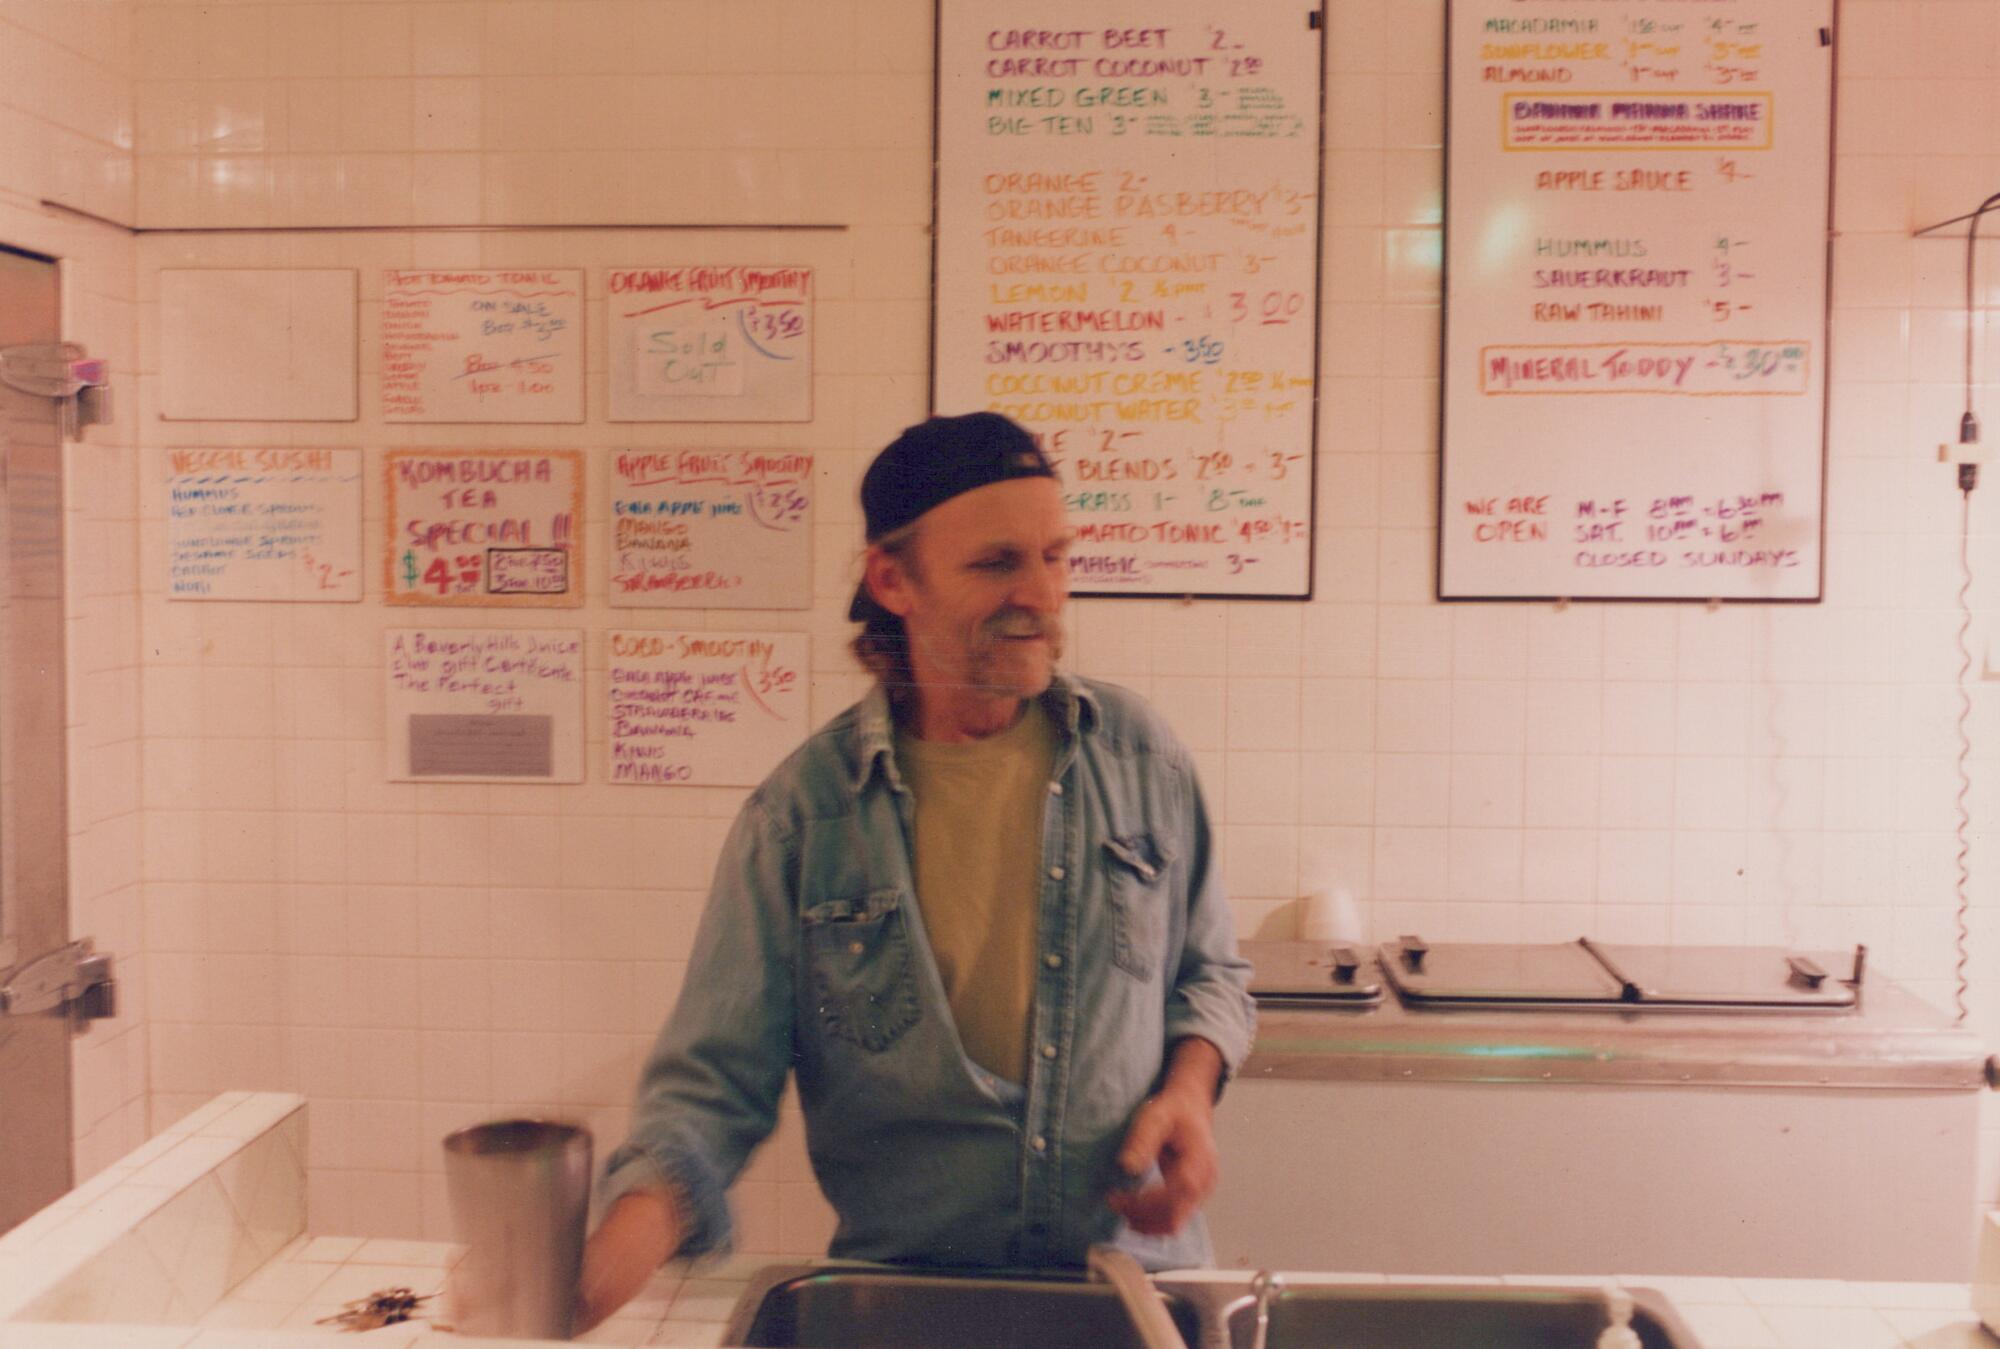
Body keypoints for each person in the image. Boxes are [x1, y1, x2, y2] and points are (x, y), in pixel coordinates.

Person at [575, 411, 1254, 1330]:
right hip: (907, 1306)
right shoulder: (805, 818)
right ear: (893, 579)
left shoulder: (1141, 758)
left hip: (1134, 1291)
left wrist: (1187, 1094)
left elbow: (1212, 975)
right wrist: (586, 1281)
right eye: (997, 562)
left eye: (1056, 557)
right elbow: (710, 1089)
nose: (1041, 595)